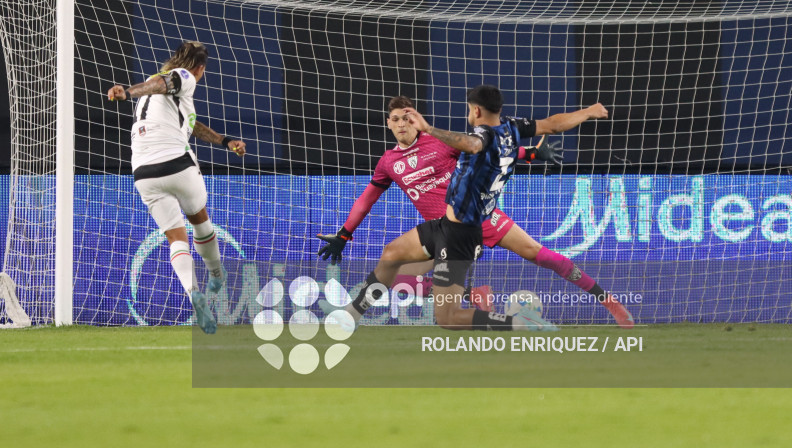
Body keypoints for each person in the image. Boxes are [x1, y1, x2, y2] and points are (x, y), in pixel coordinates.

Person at [322, 86, 631, 331]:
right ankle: (353, 315)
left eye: (407, 117)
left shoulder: (443, 141)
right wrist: (344, 234)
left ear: (415, 120)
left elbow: (484, 148)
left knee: (542, 256)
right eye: (396, 119)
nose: (402, 123)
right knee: (392, 260)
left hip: (475, 223)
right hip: (443, 229)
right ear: (388, 124)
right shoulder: (388, 162)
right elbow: (367, 198)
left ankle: (607, 301)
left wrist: (532, 156)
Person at [106, 41, 246, 334]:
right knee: (200, 221)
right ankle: (216, 275)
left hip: (143, 173)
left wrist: (224, 141)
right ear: (200, 68)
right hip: (177, 164)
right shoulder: (182, 77)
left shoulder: (160, 92)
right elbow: (165, 81)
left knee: (175, 237)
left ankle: (193, 291)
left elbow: (191, 124)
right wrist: (128, 91)